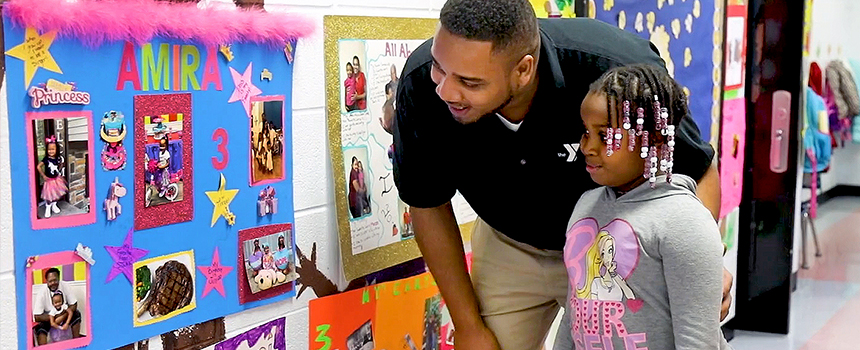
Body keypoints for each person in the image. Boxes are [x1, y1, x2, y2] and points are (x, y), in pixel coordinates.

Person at [391, 1, 731, 349]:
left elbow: (697, 168)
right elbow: (426, 203)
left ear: (523, 70)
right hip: (510, 244)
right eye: (439, 66)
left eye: (469, 82)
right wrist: (468, 327)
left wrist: (697, 265)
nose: (445, 91)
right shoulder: (421, 86)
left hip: (617, 243)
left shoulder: (613, 68)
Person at [555, 64, 730, 349]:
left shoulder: (685, 221)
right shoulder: (586, 205)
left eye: (605, 136)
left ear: (655, 139)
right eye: (586, 132)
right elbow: (573, 312)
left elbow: (698, 340)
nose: (587, 146)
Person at [33, 268, 81, 345]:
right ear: (46, 281)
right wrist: (54, 318)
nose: (53, 283)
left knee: (76, 314)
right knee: (39, 326)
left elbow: (74, 304)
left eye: (55, 280)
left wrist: (62, 316)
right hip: (48, 317)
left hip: (64, 313)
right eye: (50, 281)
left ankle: (76, 344)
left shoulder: (65, 285)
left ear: (59, 279)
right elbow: (37, 316)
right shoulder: (42, 292)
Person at [37, 135, 67, 219]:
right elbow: (38, 167)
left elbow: (59, 165)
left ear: (56, 150)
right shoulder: (46, 159)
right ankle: (48, 207)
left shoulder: (57, 158)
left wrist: (60, 167)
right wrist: (43, 175)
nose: (51, 151)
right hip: (49, 181)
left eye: (53, 149)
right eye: (49, 149)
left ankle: (54, 205)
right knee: (49, 196)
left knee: (56, 194)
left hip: (56, 179)